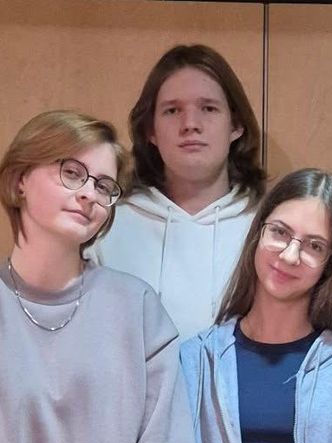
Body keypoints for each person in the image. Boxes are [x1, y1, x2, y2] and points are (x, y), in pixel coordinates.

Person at [0, 110, 195, 443]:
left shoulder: (138, 308)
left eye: (103, 186)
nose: (89, 194)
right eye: (72, 173)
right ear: (21, 178)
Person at [180, 168, 332, 443]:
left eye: (314, 246)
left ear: (331, 263)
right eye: (280, 232)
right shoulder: (197, 360)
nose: (289, 255)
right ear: (258, 232)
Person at [89, 44, 266, 339]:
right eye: (172, 111)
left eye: (208, 108)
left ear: (236, 125)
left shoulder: (270, 231)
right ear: (151, 131)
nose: (190, 125)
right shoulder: (107, 227)